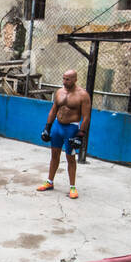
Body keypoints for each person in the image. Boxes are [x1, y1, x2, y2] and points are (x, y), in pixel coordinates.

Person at [38, 68, 91, 199]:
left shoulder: (83, 95)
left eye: (67, 79)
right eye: (63, 78)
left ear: (75, 79)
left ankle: (72, 187)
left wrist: (80, 135)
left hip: (71, 129)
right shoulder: (60, 92)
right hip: (57, 126)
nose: (64, 81)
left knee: (70, 158)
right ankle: (49, 182)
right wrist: (47, 128)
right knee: (54, 154)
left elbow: (86, 117)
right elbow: (53, 110)